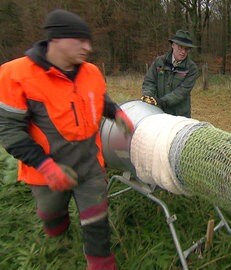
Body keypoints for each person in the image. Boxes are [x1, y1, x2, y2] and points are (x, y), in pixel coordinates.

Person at [0, 9, 134, 269]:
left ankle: (100, 263)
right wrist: (46, 166)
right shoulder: (16, 75)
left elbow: (98, 98)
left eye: (89, 41)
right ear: (56, 40)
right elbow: (8, 129)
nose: (88, 47)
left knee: (97, 218)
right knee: (52, 214)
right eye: (80, 41)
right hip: (45, 170)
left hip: (89, 163)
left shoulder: (92, 72)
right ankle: (57, 232)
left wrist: (115, 112)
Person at [140, 29, 199, 118]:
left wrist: (161, 101)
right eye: (180, 47)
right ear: (173, 45)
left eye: (186, 49)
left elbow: (181, 92)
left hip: (180, 116)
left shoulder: (192, 68)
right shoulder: (159, 62)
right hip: (158, 112)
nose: (183, 52)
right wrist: (148, 96)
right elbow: (149, 81)